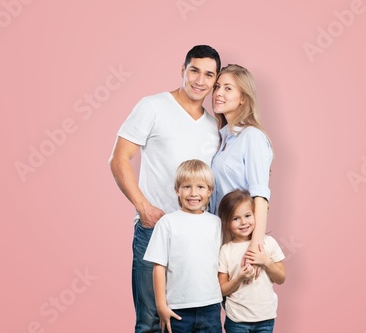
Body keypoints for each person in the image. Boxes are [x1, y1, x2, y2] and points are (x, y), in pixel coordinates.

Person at [108, 45, 221, 332]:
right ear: (183, 70)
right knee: (150, 322)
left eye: (209, 75)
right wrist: (143, 208)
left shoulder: (213, 125)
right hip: (154, 227)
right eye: (194, 70)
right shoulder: (153, 106)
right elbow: (119, 159)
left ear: (215, 80)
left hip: (196, 236)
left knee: (189, 321)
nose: (200, 80)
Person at [144, 159, 222, 333]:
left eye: (200, 187)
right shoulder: (167, 223)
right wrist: (161, 306)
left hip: (211, 307)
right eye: (187, 187)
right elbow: (158, 267)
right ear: (177, 190)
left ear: (210, 191)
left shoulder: (216, 223)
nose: (193, 193)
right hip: (177, 310)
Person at [209, 64, 273, 272]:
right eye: (217, 87)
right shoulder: (223, 139)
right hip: (220, 239)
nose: (218, 93)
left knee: (243, 303)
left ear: (243, 98)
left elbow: (260, 196)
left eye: (228, 88)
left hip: (241, 242)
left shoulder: (252, 137)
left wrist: (255, 248)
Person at [218, 189, 286, 333]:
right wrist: (239, 278)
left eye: (248, 215)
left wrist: (266, 261)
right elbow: (222, 290)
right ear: (227, 222)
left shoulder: (268, 243)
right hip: (237, 320)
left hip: (265, 318)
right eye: (235, 218)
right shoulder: (226, 250)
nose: (243, 222)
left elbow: (281, 278)